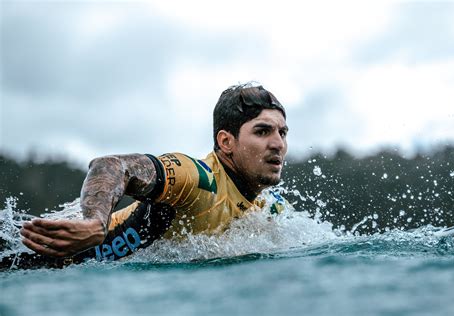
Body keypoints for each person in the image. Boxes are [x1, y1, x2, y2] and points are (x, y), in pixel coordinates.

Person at [1, 83, 289, 269]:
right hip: (34, 259)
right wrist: (94, 223)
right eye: (262, 131)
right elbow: (111, 165)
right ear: (226, 142)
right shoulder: (197, 177)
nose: (278, 143)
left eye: (282, 132)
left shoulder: (268, 207)